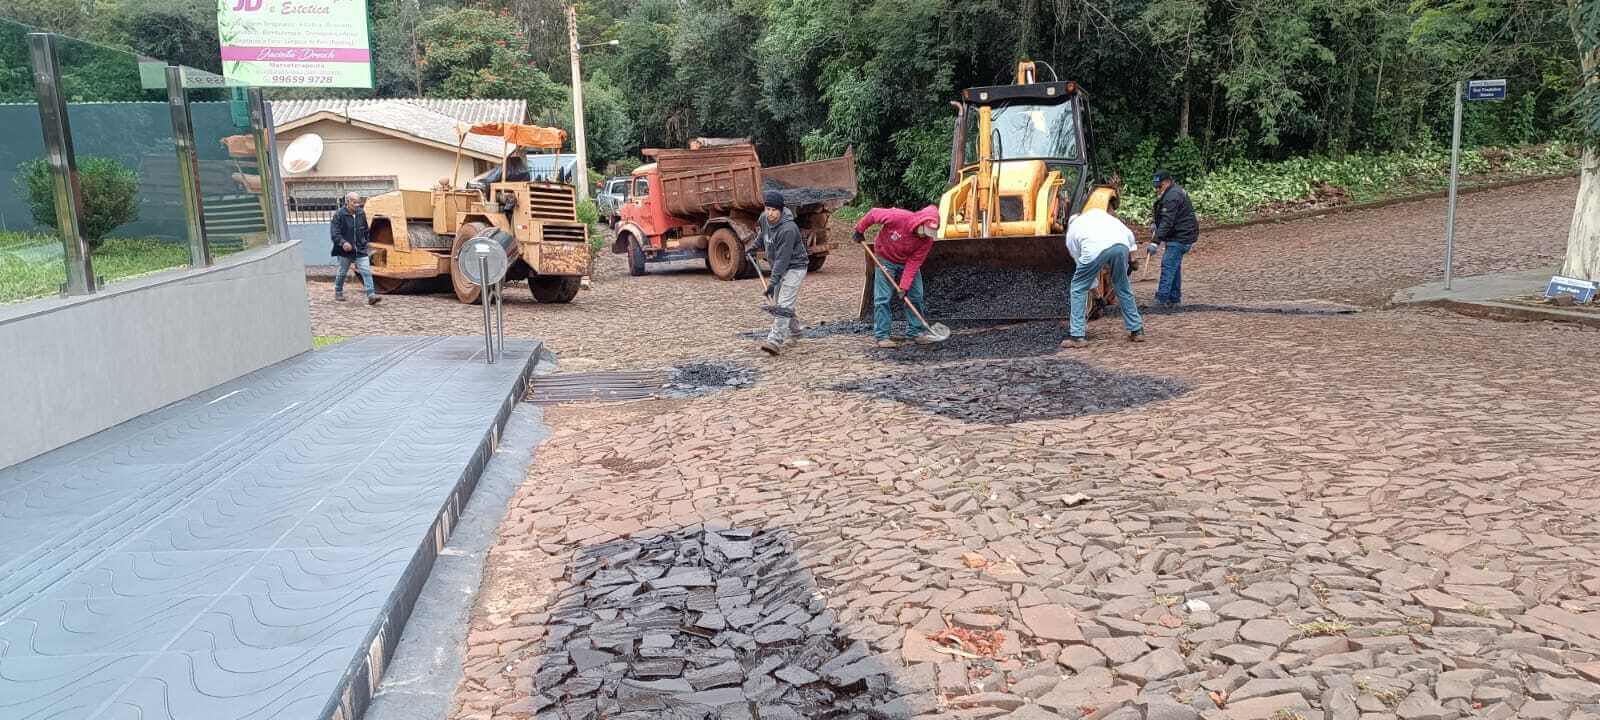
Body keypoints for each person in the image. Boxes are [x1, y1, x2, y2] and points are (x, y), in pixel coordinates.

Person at [1062, 189, 1143, 347]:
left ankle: (1077, 336)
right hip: (1120, 246)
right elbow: (1128, 234)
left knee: (1078, 287)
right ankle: (1137, 330)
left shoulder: (1072, 233)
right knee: (1122, 285)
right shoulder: (1101, 215)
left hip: (1094, 249)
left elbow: (1083, 270)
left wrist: (1097, 296)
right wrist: (1133, 258)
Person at [853, 205, 942, 348]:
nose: (925, 236)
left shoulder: (927, 240)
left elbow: (914, 262)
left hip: (907, 262)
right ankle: (882, 336)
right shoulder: (898, 217)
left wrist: (904, 286)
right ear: (920, 223)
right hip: (885, 258)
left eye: (929, 233)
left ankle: (915, 332)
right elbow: (874, 213)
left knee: (916, 296)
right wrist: (860, 229)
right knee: (883, 298)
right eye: (924, 232)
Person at [757, 191, 807, 355]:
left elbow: (782, 259)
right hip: (779, 266)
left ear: (781, 210)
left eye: (774, 210)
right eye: (768, 209)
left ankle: (774, 341)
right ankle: (797, 331)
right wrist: (753, 247)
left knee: (784, 305)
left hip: (795, 267)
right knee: (782, 303)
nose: (770, 213)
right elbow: (763, 234)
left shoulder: (788, 229)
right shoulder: (764, 218)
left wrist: (772, 283)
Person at [1150, 169, 1199, 306]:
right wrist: (1156, 224)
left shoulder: (1172, 196)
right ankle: (1174, 298)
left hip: (1180, 237)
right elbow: (1165, 216)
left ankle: (1161, 299)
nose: (1157, 189)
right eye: (1156, 187)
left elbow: (1167, 221)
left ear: (1167, 182)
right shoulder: (1172, 192)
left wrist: (1155, 242)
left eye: (1159, 186)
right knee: (1174, 266)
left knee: (1168, 265)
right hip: (1182, 235)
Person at [331, 192, 381, 305]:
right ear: (348, 202)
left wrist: (365, 242)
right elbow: (335, 233)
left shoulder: (361, 213)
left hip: (360, 249)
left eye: (358, 202)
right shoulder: (339, 214)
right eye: (354, 202)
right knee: (342, 272)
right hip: (345, 250)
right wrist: (343, 243)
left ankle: (371, 295)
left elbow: (365, 230)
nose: (357, 205)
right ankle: (338, 291)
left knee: (366, 271)